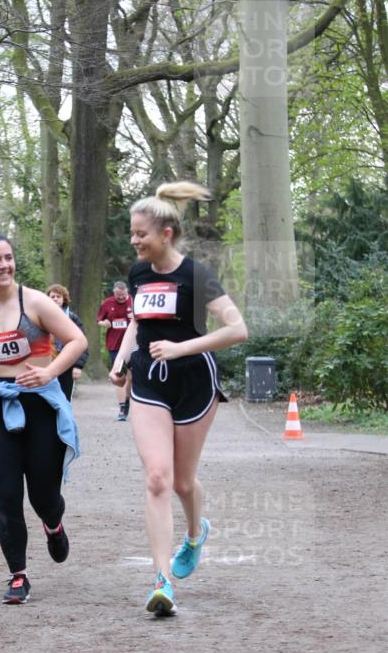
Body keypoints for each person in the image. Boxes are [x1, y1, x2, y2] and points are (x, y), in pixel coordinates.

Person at [110, 182, 248, 618]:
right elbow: (137, 322)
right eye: (132, 233)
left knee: (183, 483)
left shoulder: (197, 275)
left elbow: (237, 329)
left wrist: (180, 348)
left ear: (166, 234)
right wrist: (122, 359)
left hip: (193, 382)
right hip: (150, 382)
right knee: (157, 478)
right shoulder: (138, 274)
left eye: (140, 234)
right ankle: (162, 581)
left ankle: (194, 534)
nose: (134, 241)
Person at [0, 232, 87, 605]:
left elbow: (77, 340)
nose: (4, 265)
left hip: (41, 407)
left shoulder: (36, 302)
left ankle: (53, 523)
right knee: (7, 495)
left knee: (44, 495)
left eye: (8, 257)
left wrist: (49, 372)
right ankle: (18, 575)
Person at [46, 284, 89, 401]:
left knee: (65, 398)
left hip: (67, 363)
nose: (55, 299)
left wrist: (78, 366)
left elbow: (82, 343)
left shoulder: (72, 318)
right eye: (52, 296)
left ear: (64, 299)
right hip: (47, 362)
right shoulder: (41, 316)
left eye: (58, 296)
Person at [97, 281, 133, 420]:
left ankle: (131, 403)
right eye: (118, 295)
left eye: (124, 295)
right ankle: (123, 408)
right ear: (114, 293)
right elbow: (99, 320)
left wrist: (136, 318)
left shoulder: (134, 301)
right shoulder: (107, 303)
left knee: (132, 377)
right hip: (116, 346)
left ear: (127, 291)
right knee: (120, 377)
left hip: (134, 345)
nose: (122, 298)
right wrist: (104, 323)